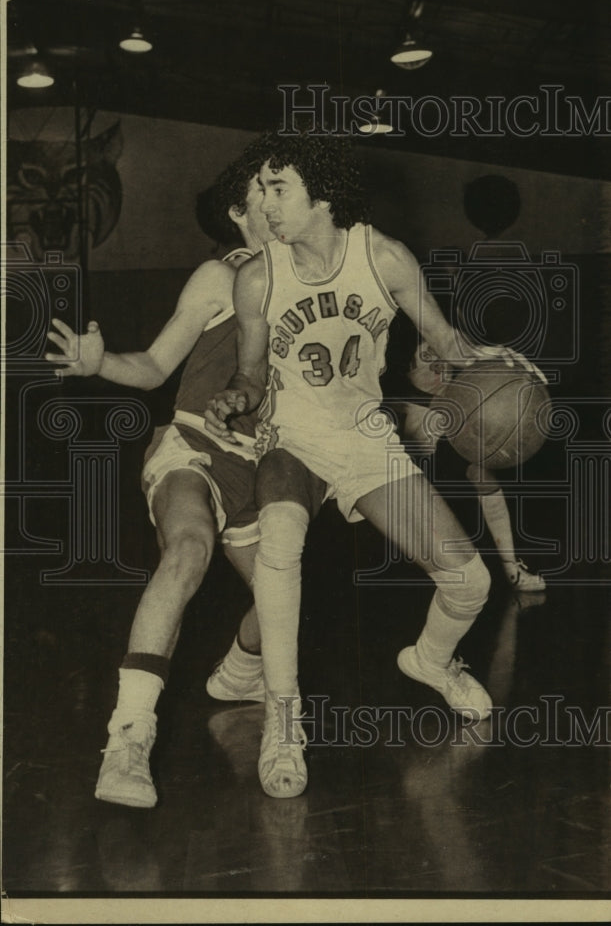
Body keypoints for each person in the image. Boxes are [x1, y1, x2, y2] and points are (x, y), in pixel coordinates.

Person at [205, 132, 543, 799]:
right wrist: (235, 396)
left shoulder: (383, 257)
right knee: (281, 542)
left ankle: (430, 659)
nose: (265, 204)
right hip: (292, 437)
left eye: (279, 189)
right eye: (262, 191)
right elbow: (250, 372)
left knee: (469, 581)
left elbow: (444, 340)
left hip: (363, 437)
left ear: (320, 194)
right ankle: (282, 716)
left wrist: (498, 359)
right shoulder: (256, 276)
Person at [44, 148, 275, 808]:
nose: (281, 202)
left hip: (260, 468)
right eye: (264, 192)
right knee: (190, 549)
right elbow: (151, 368)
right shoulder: (220, 275)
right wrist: (99, 363)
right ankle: (127, 741)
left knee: (280, 594)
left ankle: (237, 673)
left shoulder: (318, 286)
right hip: (193, 448)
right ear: (239, 213)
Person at [401, 337, 546, 599]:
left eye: (437, 359)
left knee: (481, 475)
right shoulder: (396, 390)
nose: (436, 368)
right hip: (404, 452)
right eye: (420, 363)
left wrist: (506, 364)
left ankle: (510, 567)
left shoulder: (444, 331)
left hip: (445, 443)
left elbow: (463, 352)